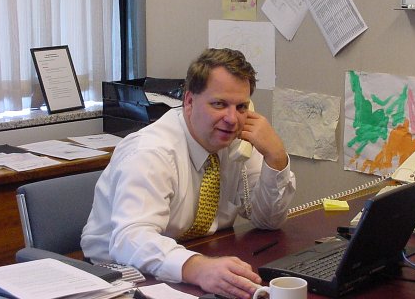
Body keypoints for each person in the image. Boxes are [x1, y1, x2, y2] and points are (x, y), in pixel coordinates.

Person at [81, 48, 296, 299]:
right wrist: (197, 267)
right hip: (117, 277)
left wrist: (276, 158)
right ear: (189, 101)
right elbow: (130, 239)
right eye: (219, 104)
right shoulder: (150, 152)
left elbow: (268, 221)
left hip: (191, 261)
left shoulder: (235, 145)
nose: (232, 119)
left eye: (241, 107)